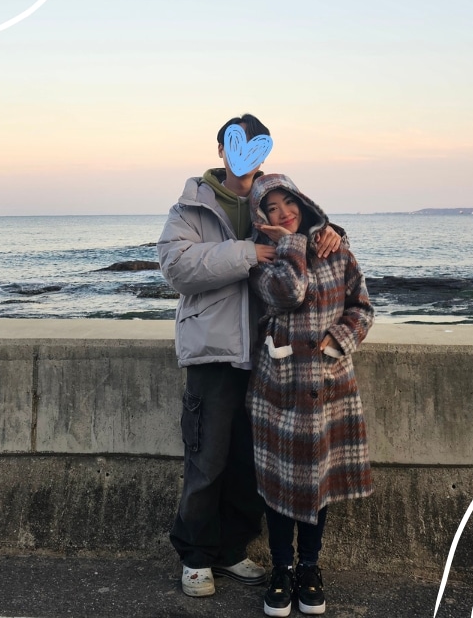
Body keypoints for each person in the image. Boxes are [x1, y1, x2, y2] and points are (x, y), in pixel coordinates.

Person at [157, 114, 342, 598]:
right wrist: (250, 254)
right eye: (236, 147)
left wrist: (332, 231)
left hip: (271, 355)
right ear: (221, 150)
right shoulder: (192, 204)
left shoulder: (272, 195)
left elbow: (308, 222)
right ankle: (196, 556)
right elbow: (177, 268)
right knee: (207, 457)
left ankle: (232, 549)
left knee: (251, 462)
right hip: (214, 352)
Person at [246, 174, 375, 617]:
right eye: (272, 210)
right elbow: (290, 292)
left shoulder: (337, 250)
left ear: (303, 201)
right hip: (279, 385)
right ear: (261, 219)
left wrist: (339, 337)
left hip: (329, 382)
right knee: (280, 483)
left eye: (289, 204)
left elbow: (362, 307)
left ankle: (309, 567)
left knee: (318, 480)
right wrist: (291, 245)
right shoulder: (265, 260)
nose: (284, 214)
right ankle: (281, 568)